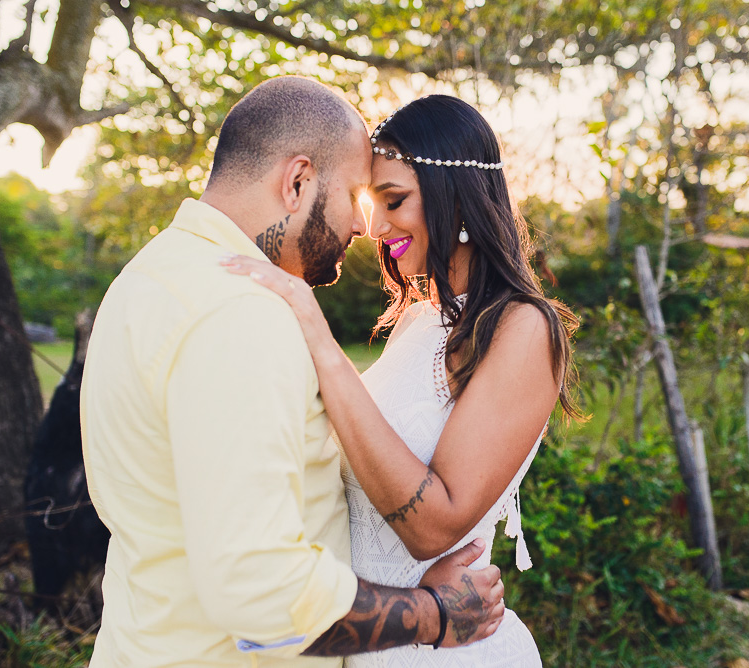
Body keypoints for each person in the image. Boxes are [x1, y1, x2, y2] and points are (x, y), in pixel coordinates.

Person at [79, 78, 505, 667]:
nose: (363, 228)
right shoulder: (240, 311)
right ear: (298, 181)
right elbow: (263, 592)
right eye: (355, 194)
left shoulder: (146, 278)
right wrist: (433, 614)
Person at [221, 94, 581, 667]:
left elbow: (433, 525)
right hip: (374, 640)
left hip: (444, 653)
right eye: (371, 202)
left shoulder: (522, 329)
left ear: (455, 199)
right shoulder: (421, 318)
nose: (374, 226)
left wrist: (320, 342)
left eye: (394, 201)